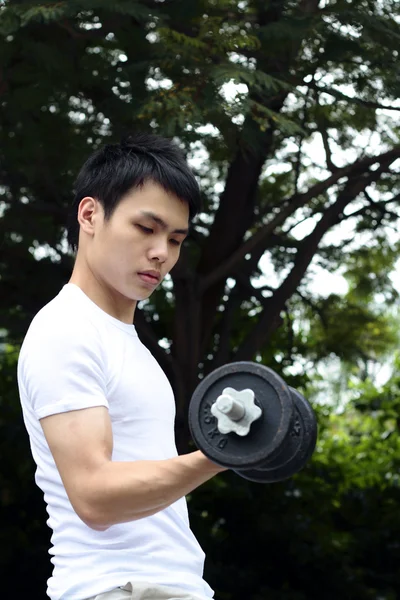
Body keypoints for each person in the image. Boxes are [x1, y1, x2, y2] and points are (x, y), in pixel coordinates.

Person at [17, 133, 226, 600]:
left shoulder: (127, 344)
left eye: (175, 239)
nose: (162, 253)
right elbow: (94, 495)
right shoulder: (66, 329)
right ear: (90, 215)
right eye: (146, 228)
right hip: (117, 588)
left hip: (167, 586)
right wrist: (218, 456)